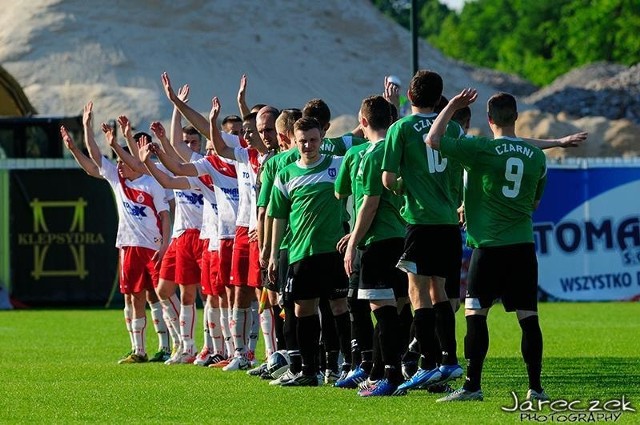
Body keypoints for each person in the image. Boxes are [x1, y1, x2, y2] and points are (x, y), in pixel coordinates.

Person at [426, 89, 587, 402]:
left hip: (488, 248)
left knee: (475, 314)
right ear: (516, 117)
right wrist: (556, 143)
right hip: (522, 248)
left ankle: (472, 387)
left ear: (489, 120)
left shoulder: (481, 148)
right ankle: (536, 388)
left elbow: (432, 139)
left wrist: (451, 106)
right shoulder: (538, 158)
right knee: (528, 318)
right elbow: (534, 204)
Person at [381, 70, 465, 393]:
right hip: (447, 221)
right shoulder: (454, 127)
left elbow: (388, 179)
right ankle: (450, 359)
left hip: (419, 220)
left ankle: (428, 364)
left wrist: (404, 187)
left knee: (416, 290)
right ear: (438, 97)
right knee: (440, 291)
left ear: (410, 97)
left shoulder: (400, 128)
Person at [80, 103, 171, 364]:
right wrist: (87, 127)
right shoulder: (119, 179)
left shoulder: (154, 179)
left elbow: (165, 215)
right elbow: (95, 159)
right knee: (133, 296)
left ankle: (170, 346)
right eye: (120, 161)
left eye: (126, 159)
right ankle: (139, 349)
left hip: (153, 246)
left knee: (161, 295)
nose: (121, 164)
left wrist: (165, 243)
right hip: (129, 245)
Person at [268, 117, 349, 387]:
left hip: (333, 251)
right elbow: (278, 216)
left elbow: (362, 194)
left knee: (339, 306)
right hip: (300, 253)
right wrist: (271, 254)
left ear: (321, 140)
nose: (308, 145)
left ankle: (344, 367)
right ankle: (309, 371)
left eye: (313, 140)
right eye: (302, 141)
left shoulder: (338, 167)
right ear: (293, 141)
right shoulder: (286, 173)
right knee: (303, 310)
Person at [339, 95, 409, 396]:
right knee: (396, 306)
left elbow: (367, 203)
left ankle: (391, 378)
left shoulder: (367, 154)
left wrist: (354, 240)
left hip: (377, 241)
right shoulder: (397, 151)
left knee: (382, 310)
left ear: (363, 122)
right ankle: (386, 372)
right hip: (401, 235)